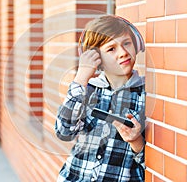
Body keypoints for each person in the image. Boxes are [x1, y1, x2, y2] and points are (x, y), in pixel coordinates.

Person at [55, 15, 146, 182]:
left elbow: (154, 162)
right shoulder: (86, 91)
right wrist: (81, 77)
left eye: (126, 43)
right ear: (96, 58)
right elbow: (64, 131)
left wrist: (136, 141)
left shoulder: (145, 94)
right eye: (111, 49)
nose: (123, 53)